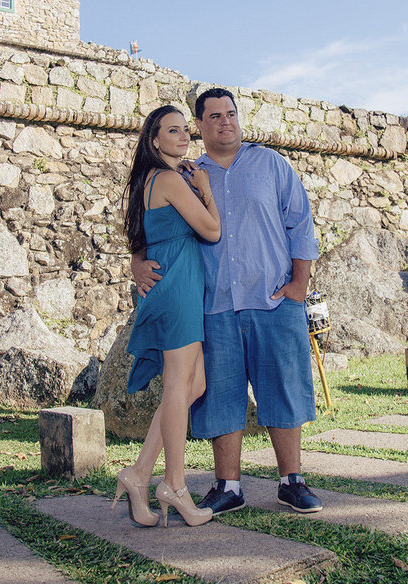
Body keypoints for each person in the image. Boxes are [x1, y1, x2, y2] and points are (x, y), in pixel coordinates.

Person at [132, 87, 323, 516]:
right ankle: (228, 485)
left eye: (231, 113)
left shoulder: (271, 164)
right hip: (213, 303)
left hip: (271, 298)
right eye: (214, 116)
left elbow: (301, 223)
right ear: (199, 126)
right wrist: (136, 262)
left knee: (283, 386)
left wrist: (299, 284)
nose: (225, 121)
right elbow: (151, 222)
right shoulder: (185, 175)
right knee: (220, 394)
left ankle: (292, 481)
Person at [113, 105, 221, 528]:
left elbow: (140, 236)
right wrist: (206, 188)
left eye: (184, 131)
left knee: (195, 383)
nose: (182, 137)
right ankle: (174, 485)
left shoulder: (152, 179)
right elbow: (211, 230)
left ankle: (139, 474)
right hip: (176, 289)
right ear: (154, 140)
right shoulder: (172, 179)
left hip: (177, 285)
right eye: (171, 131)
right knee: (180, 385)